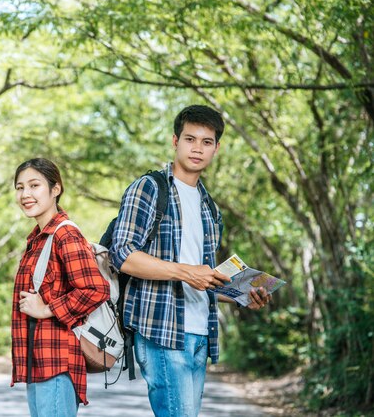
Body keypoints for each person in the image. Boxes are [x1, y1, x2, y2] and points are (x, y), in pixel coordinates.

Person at [109, 105, 272, 417]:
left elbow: (205, 279)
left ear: (216, 148)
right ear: (175, 141)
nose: (198, 148)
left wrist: (241, 297)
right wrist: (186, 273)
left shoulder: (210, 207)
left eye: (206, 142)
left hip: (201, 332)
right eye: (190, 139)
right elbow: (123, 255)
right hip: (162, 329)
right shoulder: (149, 188)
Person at [11, 158, 110, 417]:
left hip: (56, 362)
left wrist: (46, 309)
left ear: (56, 189)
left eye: (35, 185)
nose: (26, 194)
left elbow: (96, 289)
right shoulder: (38, 238)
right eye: (20, 187)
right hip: (39, 361)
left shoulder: (65, 235)